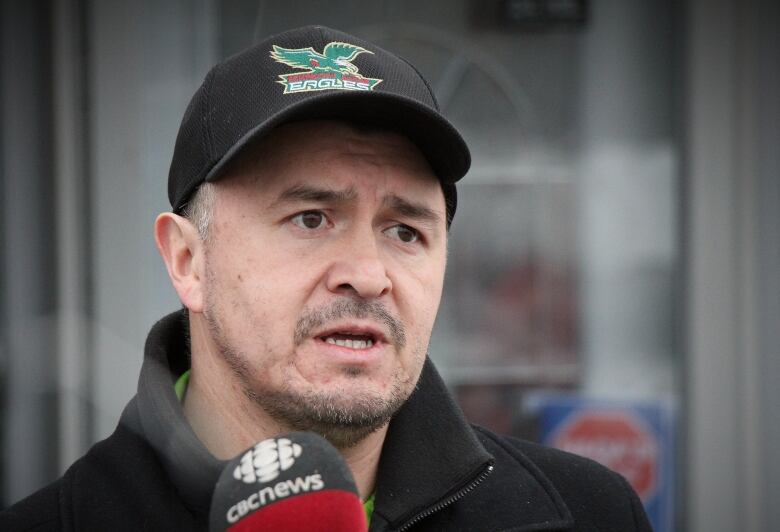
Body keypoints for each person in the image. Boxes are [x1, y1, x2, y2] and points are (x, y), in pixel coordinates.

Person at [1, 25, 651, 531]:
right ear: (187, 262)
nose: (369, 276)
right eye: (311, 218)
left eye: (406, 232)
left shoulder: (589, 515)